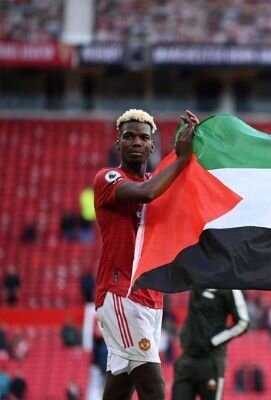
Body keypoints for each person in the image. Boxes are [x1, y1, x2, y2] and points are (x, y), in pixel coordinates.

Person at [93, 108, 198, 400]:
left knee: (120, 386)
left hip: (152, 297)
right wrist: (180, 158)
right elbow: (147, 193)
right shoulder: (108, 178)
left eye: (143, 137)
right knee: (153, 386)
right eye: (129, 137)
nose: (136, 142)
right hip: (121, 293)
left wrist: (197, 144)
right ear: (118, 143)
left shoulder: (158, 179)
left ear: (153, 144)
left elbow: (187, 190)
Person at [172, 288, 249, 400]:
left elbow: (243, 322)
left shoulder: (230, 286)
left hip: (211, 361)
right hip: (187, 357)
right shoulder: (197, 278)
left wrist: (214, 341)